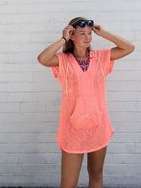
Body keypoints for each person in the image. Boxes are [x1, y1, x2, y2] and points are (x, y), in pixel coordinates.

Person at [37, 17, 135, 188]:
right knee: (68, 184)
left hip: (98, 126)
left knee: (96, 175)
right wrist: (62, 39)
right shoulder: (63, 60)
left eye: (89, 33)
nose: (87, 37)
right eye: (81, 33)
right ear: (72, 36)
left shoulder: (101, 58)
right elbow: (43, 59)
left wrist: (103, 33)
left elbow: (130, 47)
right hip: (73, 130)